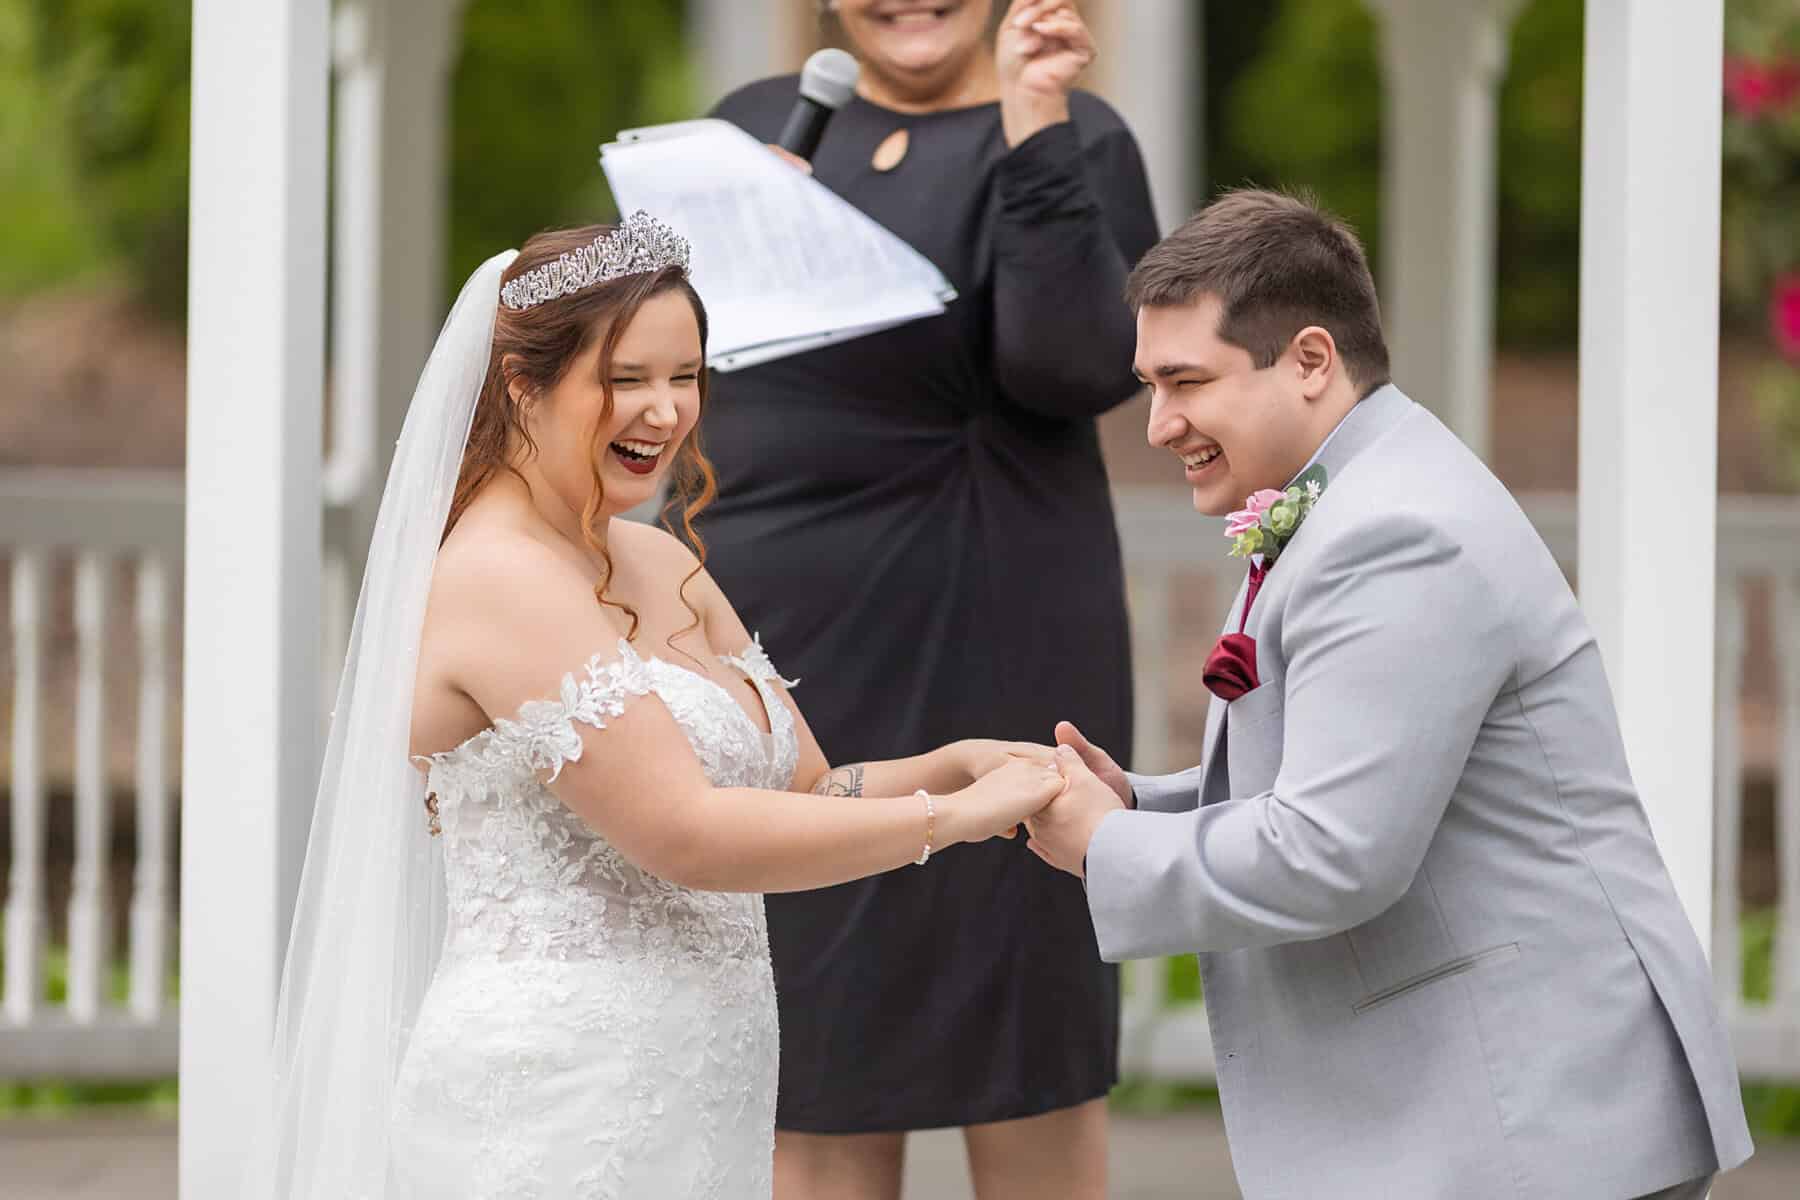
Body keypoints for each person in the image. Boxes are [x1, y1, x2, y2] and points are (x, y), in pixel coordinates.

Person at [240, 214, 1068, 1200]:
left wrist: (955, 763)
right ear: (522, 385)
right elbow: (685, 832)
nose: (666, 412)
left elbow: (807, 785)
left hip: (703, 1087)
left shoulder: (663, 562)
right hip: (558, 1102)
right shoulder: (497, 576)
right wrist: (950, 822)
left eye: (687, 377)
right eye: (627, 378)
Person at [1026, 190, 1756, 1199]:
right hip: (1489, 1109)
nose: (1159, 424)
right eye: (1150, 384)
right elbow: (1354, 768)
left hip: (1532, 1122)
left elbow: (1334, 852)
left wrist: (1104, 846)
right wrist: (1142, 802)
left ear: (1313, 361)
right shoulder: (1352, 495)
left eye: (1187, 380)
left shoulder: (1395, 531)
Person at [701, 3, 1157, 1195]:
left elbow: (1072, 365)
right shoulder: (749, 128)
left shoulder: (1077, 131)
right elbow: (655, 370)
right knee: (816, 1034)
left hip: (990, 610)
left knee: (1015, 1001)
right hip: (776, 634)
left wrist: (1035, 120)